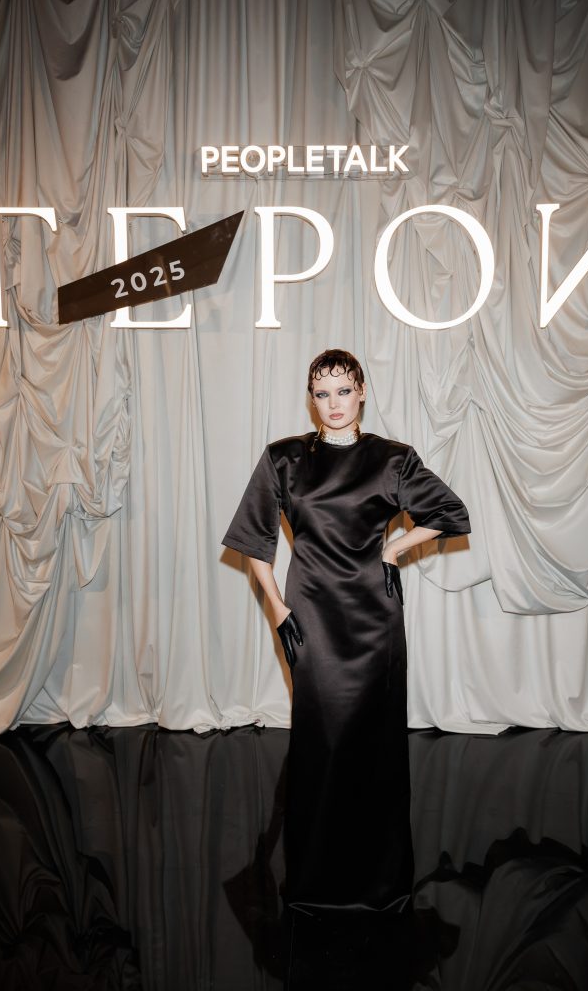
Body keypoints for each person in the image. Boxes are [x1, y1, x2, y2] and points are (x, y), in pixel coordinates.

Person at [222, 349, 470, 914]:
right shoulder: (284, 458)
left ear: (361, 392)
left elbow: (450, 513)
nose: (333, 403)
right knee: (320, 741)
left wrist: (397, 546)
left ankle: (379, 882)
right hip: (310, 614)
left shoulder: (392, 459)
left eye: (342, 390)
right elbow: (254, 540)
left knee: (375, 745)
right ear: (311, 399)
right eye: (321, 393)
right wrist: (277, 608)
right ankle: (314, 880)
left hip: (374, 618)